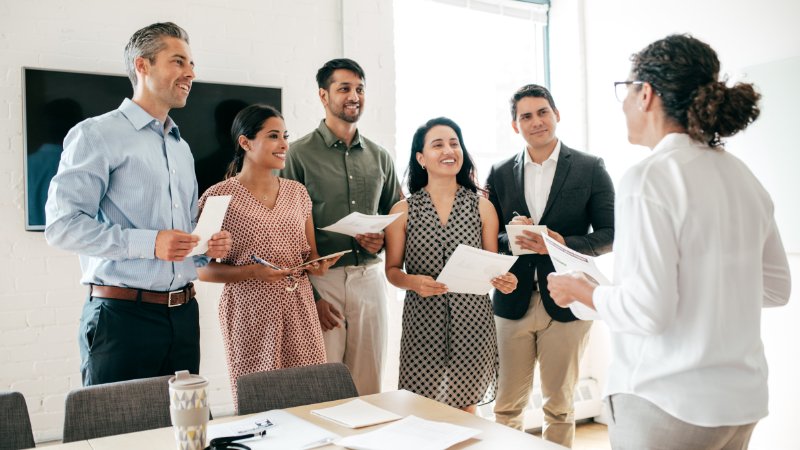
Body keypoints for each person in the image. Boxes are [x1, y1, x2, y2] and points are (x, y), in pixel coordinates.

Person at [547, 34, 792, 449]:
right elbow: (775, 289)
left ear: (645, 94)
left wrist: (585, 290)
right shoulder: (744, 178)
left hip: (667, 402)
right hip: (739, 403)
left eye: (625, 90)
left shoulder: (650, 178)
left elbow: (648, 311)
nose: (622, 103)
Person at [44, 22, 232, 386]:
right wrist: (152, 242)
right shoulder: (96, 135)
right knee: (117, 435)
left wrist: (205, 249)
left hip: (183, 316)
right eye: (178, 62)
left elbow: (181, 236)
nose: (191, 73)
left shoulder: (181, 147)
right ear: (142, 66)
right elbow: (62, 226)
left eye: (191, 64)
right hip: (121, 319)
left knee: (182, 435)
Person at [485, 84, 615, 446]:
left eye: (543, 112)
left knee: (559, 407)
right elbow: (488, 238)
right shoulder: (499, 173)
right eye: (526, 116)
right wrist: (512, 239)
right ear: (515, 126)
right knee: (506, 406)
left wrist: (563, 243)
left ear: (557, 115)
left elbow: (611, 233)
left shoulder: (589, 167)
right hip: (512, 302)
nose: (536, 121)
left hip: (569, 301)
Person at [197, 104, 339, 410]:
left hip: (300, 306)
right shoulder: (218, 197)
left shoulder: (297, 192)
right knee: (259, 403)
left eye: (285, 136)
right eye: (273, 136)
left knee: (310, 398)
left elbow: (309, 254)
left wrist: (318, 264)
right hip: (249, 311)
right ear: (245, 143)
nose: (285, 144)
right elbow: (201, 270)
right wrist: (252, 273)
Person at [281, 58, 401, 395]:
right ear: (323, 95)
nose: (354, 96)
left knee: (370, 386)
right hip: (323, 282)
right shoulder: (297, 156)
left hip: (370, 283)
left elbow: (397, 218)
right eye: (344, 88)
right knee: (323, 387)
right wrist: (312, 297)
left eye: (360, 89)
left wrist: (383, 242)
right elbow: (287, 232)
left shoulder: (380, 158)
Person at [384, 117, 517, 412]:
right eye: (438, 144)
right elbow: (392, 270)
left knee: (467, 411)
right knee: (420, 409)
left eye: (454, 143)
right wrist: (413, 282)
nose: (449, 150)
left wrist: (506, 281)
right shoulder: (402, 211)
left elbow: (493, 268)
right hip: (422, 321)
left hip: (473, 321)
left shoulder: (483, 207)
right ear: (421, 158)